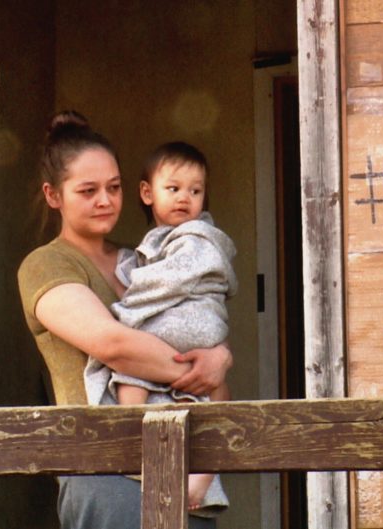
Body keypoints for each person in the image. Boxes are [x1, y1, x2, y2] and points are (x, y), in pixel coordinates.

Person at [18, 111, 231, 529]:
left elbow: (199, 318)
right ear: (53, 194)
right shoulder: (45, 265)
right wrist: (206, 366)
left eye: (113, 188)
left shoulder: (146, 261)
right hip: (105, 471)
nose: (105, 200)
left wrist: (221, 357)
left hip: (184, 462)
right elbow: (113, 345)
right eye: (88, 190)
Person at [84, 141, 235, 514]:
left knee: (127, 373)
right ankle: (199, 482)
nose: (185, 198)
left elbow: (168, 282)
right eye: (174, 188)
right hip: (199, 332)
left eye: (195, 191)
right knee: (208, 404)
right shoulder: (162, 239)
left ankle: (135, 443)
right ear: (147, 193)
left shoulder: (195, 237)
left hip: (190, 323)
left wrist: (127, 308)